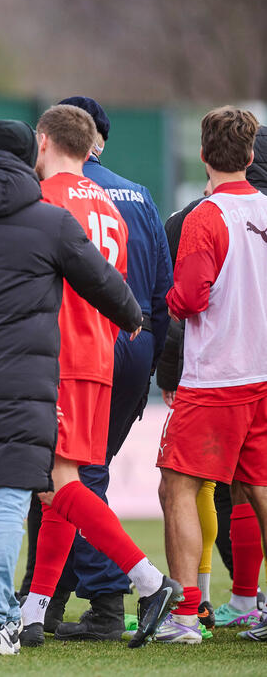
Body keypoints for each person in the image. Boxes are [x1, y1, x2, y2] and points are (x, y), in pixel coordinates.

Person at [0, 119, 142, 655]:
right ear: (27, 157)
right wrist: (132, 317)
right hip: (24, 378)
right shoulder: (49, 221)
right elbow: (102, 281)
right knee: (13, 497)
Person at [18, 105, 178, 649]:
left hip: (59, 354)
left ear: (43, 141)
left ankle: (149, 581)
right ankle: (35, 611)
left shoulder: (47, 198)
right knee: (58, 486)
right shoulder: (108, 201)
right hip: (101, 356)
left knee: (60, 483)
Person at [158, 107, 267, 644]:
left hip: (217, 377)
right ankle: (249, 604)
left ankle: (184, 616)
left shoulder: (205, 215)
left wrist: (169, 301)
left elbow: (190, 297)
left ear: (202, 155)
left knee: (177, 486)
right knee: (260, 490)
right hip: (264, 373)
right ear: (250, 156)